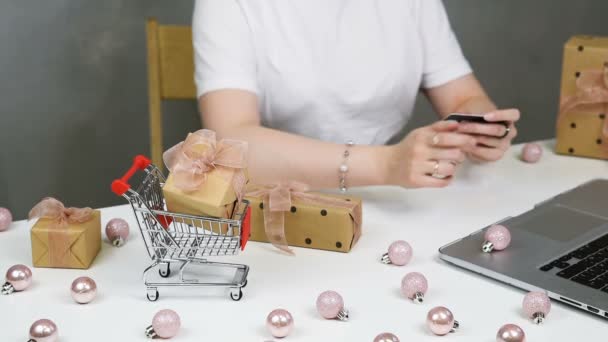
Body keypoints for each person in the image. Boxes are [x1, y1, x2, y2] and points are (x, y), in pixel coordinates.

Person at [191, 0, 519, 191]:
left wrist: (480, 127)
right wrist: (384, 164)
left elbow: (463, 99)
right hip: (281, 202)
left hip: (396, 199)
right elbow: (232, 141)